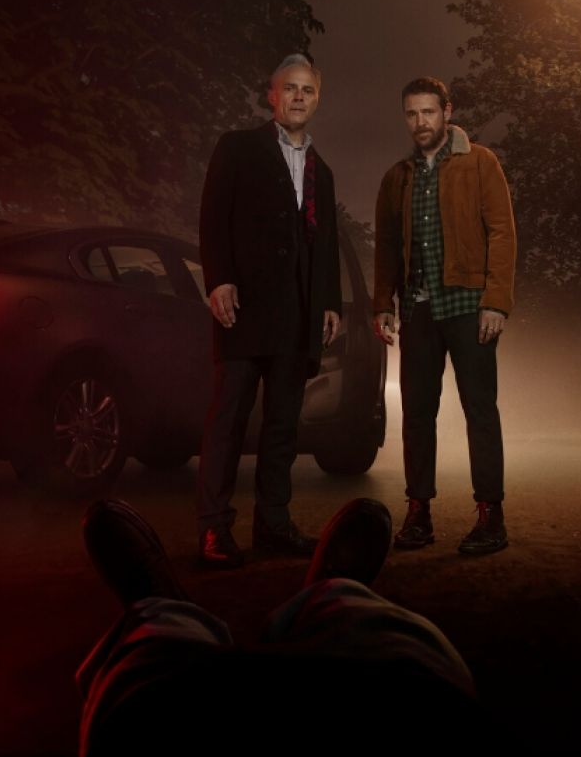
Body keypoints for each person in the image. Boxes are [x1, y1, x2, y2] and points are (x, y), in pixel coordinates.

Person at [76, 498, 482, 756]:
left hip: (171, 713)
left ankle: (163, 608)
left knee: (150, 662)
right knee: (395, 641)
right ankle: (333, 592)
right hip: (404, 706)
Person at [197, 54, 341, 567]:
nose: (299, 96)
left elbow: (324, 243)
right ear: (271, 95)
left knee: (282, 426)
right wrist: (219, 280)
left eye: (308, 89)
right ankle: (214, 529)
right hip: (244, 308)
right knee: (228, 422)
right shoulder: (237, 147)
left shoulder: (321, 170)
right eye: (290, 88)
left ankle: (273, 526)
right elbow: (213, 217)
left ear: (317, 98)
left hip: (297, 317)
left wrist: (328, 302)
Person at [373, 77, 516, 555]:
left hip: (468, 305)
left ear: (447, 111)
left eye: (429, 112)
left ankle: (490, 517)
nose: (420, 123)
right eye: (412, 114)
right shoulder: (398, 176)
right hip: (417, 309)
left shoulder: (480, 162)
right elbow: (388, 247)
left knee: (480, 410)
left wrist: (496, 300)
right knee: (416, 414)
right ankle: (419, 514)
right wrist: (381, 304)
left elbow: (502, 232)